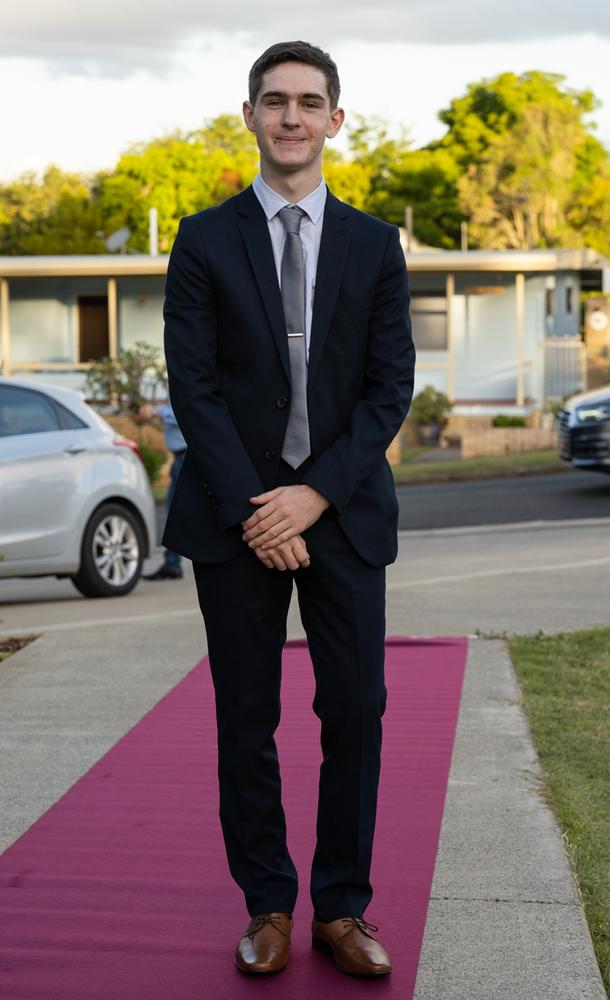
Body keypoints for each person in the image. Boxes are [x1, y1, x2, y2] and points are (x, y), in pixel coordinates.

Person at [162, 40, 414, 977]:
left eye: (311, 102)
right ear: (251, 115)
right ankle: (267, 905)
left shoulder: (376, 245)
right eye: (276, 101)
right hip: (234, 522)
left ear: (336, 119)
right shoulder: (202, 239)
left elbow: (391, 389)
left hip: (343, 512)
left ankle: (343, 909)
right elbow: (194, 387)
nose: (293, 118)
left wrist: (312, 495)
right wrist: (257, 510)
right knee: (246, 717)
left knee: (357, 709)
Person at [139, 399, 186, 580]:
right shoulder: (169, 402)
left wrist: (155, 412)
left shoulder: (173, 404)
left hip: (186, 458)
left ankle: (172, 564)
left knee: (175, 513)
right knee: (178, 513)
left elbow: (180, 412)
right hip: (182, 458)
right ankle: (172, 564)